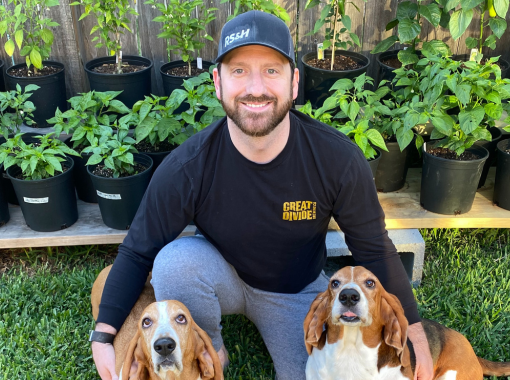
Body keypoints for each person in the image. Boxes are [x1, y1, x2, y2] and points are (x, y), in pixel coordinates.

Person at [90, 10, 434, 380]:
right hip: (220, 275)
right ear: (218, 83)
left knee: (309, 374)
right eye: (239, 71)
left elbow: (375, 249)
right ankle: (212, 349)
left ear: (294, 82)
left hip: (294, 291)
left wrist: (416, 335)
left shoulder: (337, 159)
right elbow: (138, 249)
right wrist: (102, 336)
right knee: (174, 262)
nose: (256, 87)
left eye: (271, 70)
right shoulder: (187, 166)